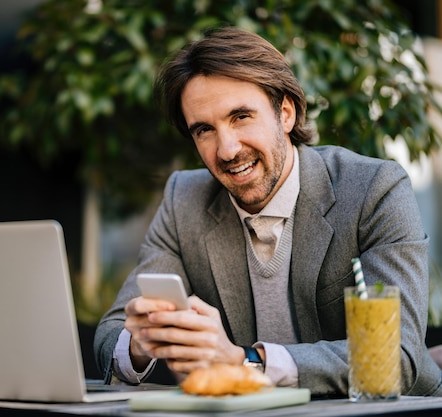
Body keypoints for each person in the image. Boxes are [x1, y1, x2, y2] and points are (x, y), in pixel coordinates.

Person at [93, 26, 442, 397]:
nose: (227, 149)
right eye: (204, 130)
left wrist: (246, 362)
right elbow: (110, 336)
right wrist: (142, 342)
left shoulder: (375, 189)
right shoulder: (185, 200)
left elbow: (396, 357)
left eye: (241, 117)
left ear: (286, 113)